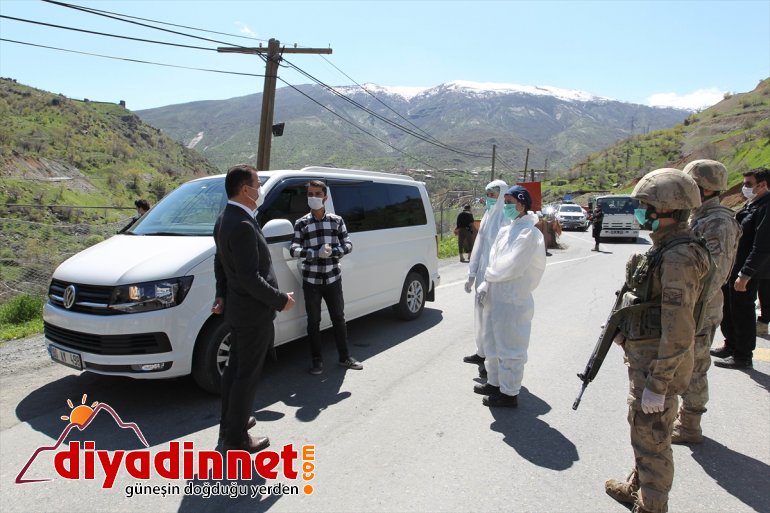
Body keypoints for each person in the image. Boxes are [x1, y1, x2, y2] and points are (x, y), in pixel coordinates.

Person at [605, 168, 710, 513]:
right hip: (647, 357)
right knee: (644, 430)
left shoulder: (679, 257)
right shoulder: (665, 247)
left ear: (666, 209)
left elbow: (679, 328)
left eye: (645, 206)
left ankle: (652, 505)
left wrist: (659, 383)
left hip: (658, 365)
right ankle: (638, 486)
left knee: (652, 434)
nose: (640, 212)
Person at [212, 164, 295, 453]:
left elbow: (221, 262)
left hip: (238, 310)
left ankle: (230, 423)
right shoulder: (242, 224)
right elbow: (250, 277)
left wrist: (221, 294)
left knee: (234, 370)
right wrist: (280, 300)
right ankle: (237, 438)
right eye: (257, 185)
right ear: (245, 190)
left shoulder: (226, 218)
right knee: (245, 375)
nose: (259, 190)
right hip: (252, 312)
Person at [671, 160, 740, 444]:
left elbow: (715, 275)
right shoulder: (698, 216)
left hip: (699, 308)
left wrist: (688, 308)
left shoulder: (719, 222)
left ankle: (690, 424)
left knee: (696, 366)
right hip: (688, 305)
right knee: (681, 363)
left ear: (705, 188)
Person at [472, 185, 545, 408]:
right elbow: (493, 259)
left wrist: (488, 277)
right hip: (496, 296)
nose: (506, 207)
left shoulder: (529, 234)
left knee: (510, 347)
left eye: (510, 203)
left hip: (513, 299)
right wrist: (486, 284)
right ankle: (494, 383)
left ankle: (509, 393)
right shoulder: (507, 230)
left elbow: (512, 265)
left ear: (522, 205)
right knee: (492, 341)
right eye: (505, 202)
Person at [289, 180, 362, 375]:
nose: (313, 197)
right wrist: (314, 253)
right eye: (310, 194)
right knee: (313, 322)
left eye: (317, 194)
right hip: (311, 281)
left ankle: (345, 357)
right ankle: (316, 361)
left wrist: (334, 251)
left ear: (325, 197)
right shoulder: (301, 223)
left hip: (333, 278)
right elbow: (294, 249)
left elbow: (348, 244)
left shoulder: (336, 221)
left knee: (338, 318)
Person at [712, 167, 770, 369]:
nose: (744, 188)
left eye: (748, 184)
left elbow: (762, 246)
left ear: (763, 185)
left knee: (743, 312)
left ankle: (743, 356)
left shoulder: (766, 207)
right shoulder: (752, 204)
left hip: (748, 269)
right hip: (734, 265)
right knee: (729, 308)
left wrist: (745, 274)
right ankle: (731, 345)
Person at [463, 180, 509, 372]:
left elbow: (504, 253)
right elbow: (479, 246)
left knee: (492, 319)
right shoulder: (488, 215)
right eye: (487, 195)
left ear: (502, 195)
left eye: (493, 195)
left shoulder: (505, 218)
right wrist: (472, 273)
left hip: (495, 278)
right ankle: (481, 352)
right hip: (482, 274)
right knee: (480, 316)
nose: (489, 199)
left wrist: (490, 280)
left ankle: (492, 362)